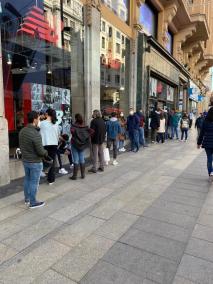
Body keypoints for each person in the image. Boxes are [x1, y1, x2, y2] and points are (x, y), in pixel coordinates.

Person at [19, 111, 48, 208]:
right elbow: (40, 151)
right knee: (34, 182)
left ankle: (27, 199)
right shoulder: (35, 133)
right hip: (35, 162)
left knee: (27, 179)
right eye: (38, 119)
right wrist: (45, 153)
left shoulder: (22, 131)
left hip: (25, 160)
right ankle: (33, 202)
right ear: (35, 119)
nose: (39, 120)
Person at [40, 108, 60, 185]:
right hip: (54, 144)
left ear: (47, 114)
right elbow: (58, 135)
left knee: (44, 161)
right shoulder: (56, 124)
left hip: (45, 144)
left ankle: (45, 174)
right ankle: (51, 179)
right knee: (52, 161)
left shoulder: (42, 123)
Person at [70, 114, 92, 180]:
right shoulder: (85, 126)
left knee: (76, 160)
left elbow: (72, 132)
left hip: (74, 144)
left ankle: (75, 176)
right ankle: (83, 175)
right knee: (82, 158)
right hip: (82, 144)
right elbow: (91, 131)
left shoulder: (73, 126)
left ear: (76, 118)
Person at [198, 107, 213, 179]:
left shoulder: (205, 121)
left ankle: (210, 173)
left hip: (207, 142)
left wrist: (199, 143)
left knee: (209, 158)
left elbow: (202, 133)